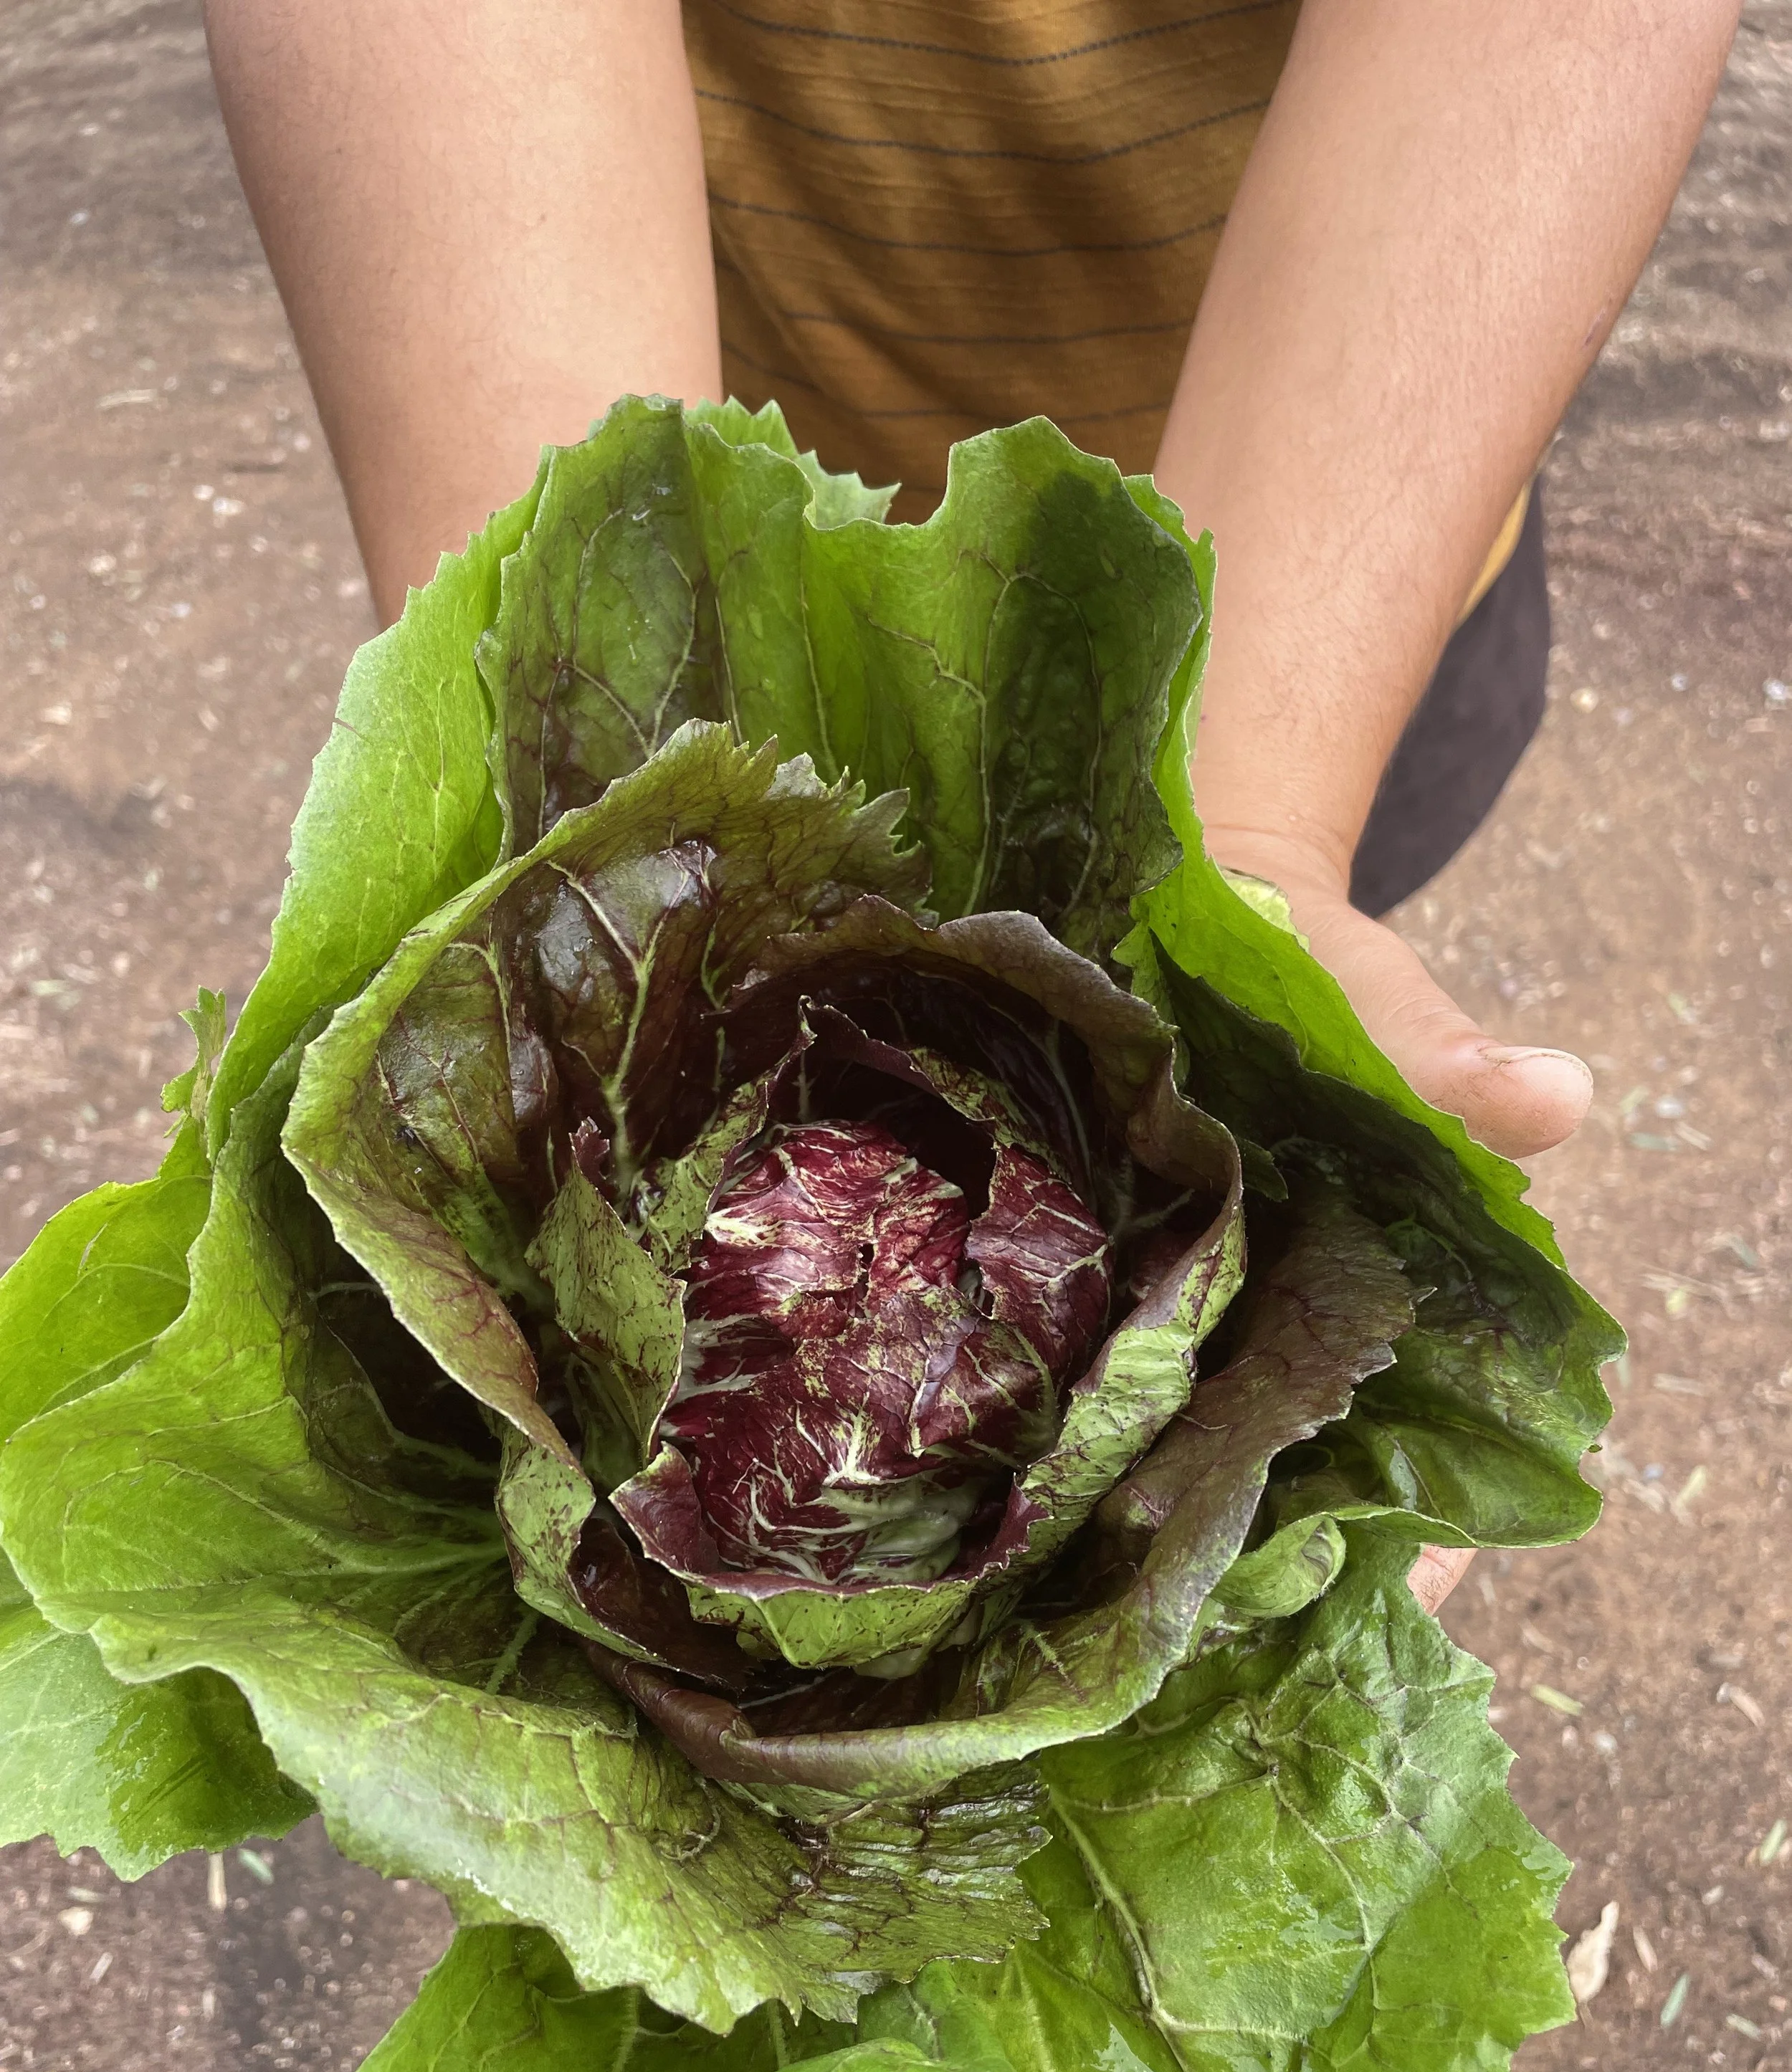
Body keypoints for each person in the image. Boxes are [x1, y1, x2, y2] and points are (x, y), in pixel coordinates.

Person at [199, 0, 1736, 1603]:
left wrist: (1246, 841)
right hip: (699, 399)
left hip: (1325, 521)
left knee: (1250, 980)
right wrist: (576, 767)